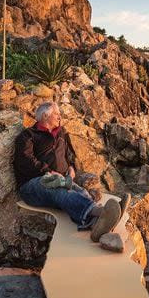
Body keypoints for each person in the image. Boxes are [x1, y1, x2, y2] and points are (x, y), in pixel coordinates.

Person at [14, 101, 129, 242]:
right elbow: (26, 160)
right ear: (45, 116)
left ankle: (96, 226)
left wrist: (71, 167)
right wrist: (48, 171)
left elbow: (68, 154)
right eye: (56, 114)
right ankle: (101, 212)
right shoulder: (28, 136)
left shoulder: (61, 132)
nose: (59, 117)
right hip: (32, 185)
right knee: (58, 190)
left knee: (80, 191)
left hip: (61, 179)